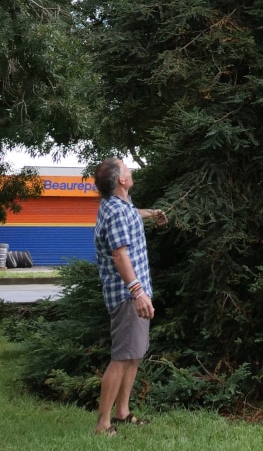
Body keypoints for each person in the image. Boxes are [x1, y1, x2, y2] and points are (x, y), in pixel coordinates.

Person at [93, 157, 167, 437]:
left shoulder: (121, 207)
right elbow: (119, 254)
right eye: (126, 168)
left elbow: (132, 213)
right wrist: (137, 292)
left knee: (133, 354)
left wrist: (152, 213)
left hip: (134, 293)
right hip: (127, 296)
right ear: (121, 180)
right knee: (122, 356)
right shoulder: (116, 212)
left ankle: (122, 412)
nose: (130, 170)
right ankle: (102, 424)